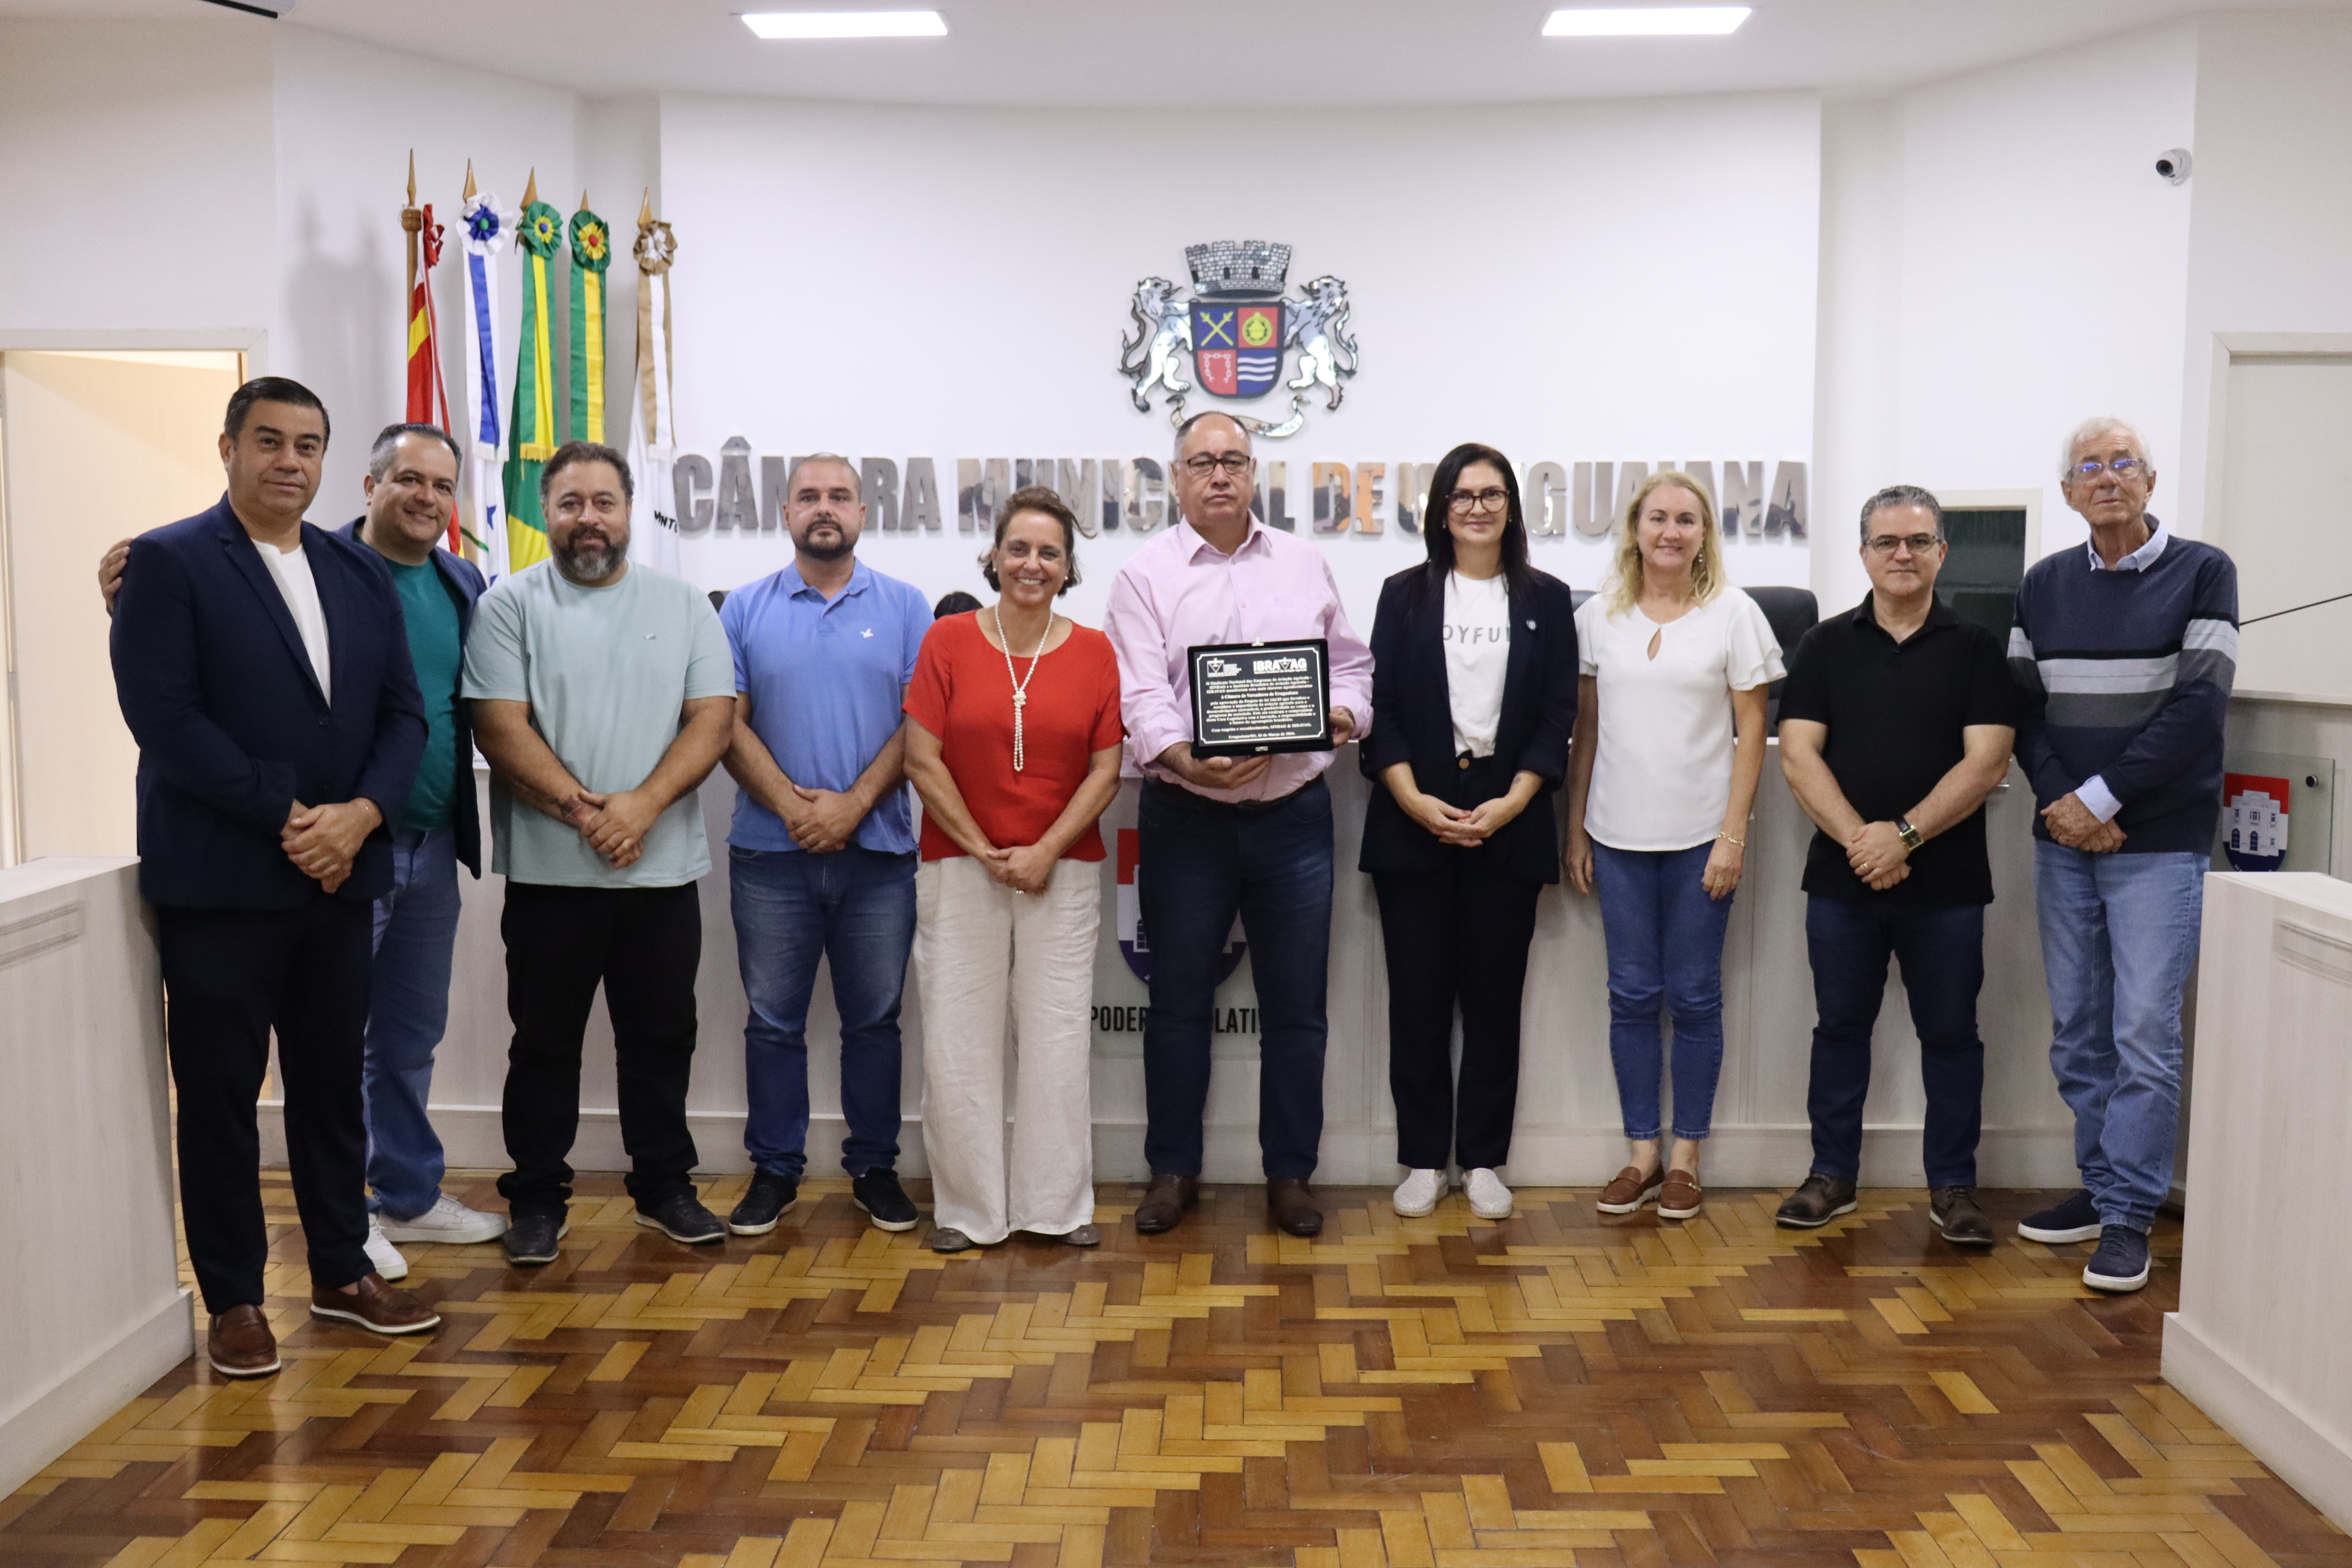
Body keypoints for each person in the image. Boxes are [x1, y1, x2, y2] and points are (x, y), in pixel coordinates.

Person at [99, 424, 507, 1279]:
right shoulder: (185, 561)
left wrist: (359, 815)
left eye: (442, 484)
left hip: (393, 848)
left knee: (379, 1051)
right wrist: (300, 819)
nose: (426, 497)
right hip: (241, 870)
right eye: (407, 479)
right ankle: (246, 1291)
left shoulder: (446, 578)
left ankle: (376, 1224)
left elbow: (409, 713)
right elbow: (169, 716)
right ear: (368, 483)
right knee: (227, 1091)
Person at [463, 441, 737, 1265]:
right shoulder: (508, 604)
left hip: (660, 872)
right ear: (547, 512)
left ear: (628, 511)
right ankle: (538, 1199)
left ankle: (663, 1188)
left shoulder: (687, 603)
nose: (589, 518)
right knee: (544, 1044)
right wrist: (591, 815)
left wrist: (643, 807)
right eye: (571, 502)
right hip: (551, 875)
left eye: (604, 502)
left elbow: (713, 719)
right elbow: (498, 723)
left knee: (662, 1036)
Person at [1103, 411, 1374, 1238]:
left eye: (1234, 461)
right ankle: (1172, 1169)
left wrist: (1338, 716)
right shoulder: (1142, 575)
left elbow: (1355, 670)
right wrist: (1185, 758)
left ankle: (1291, 1173)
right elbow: (1142, 697)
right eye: (1202, 462)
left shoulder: (1304, 562)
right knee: (1177, 1001)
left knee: (1298, 1008)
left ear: (1253, 473)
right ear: (1176, 477)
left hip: (1294, 816)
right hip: (1186, 817)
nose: (1219, 475)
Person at [2009, 418, 2236, 1294]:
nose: (2107, 478)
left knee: (2144, 1032)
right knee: (2079, 1030)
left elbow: (2199, 708)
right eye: (2089, 468)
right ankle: (2102, 1186)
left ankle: (2132, 1217)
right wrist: (2064, 802)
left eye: (2123, 464)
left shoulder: (2204, 571)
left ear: (2151, 479)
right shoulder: (2044, 583)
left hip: (2159, 843)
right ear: (2068, 491)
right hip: (2065, 840)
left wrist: (2102, 800)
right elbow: (2023, 710)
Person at [1772, 485, 2017, 1244]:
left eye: (1918, 542)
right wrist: (1861, 841)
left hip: (1946, 887)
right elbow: (1799, 755)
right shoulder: (1823, 646)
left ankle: (1954, 1190)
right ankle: (1832, 1176)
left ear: (1942, 551)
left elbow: (1987, 762)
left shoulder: (1978, 647)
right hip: (1843, 880)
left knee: (1951, 1036)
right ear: (1864, 554)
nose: (1902, 555)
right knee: (1839, 1029)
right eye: (1887, 542)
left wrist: (1903, 836)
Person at [902, 487, 1123, 1253]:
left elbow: (1105, 769)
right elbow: (920, 757)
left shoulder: (1095, 650)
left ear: (1068, 567)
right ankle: (968, 1210)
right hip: (960, 868)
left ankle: (1055, 1207)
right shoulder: (949, 641)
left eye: (1049, 552)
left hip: (1061, 872)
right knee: (960, 1040)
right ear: (994, 557)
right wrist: (984, 847)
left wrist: (1043, 851)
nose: (1033, 563)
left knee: (1057, 1038)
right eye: (1019, 549)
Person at [1359, 443, 1577, 1222]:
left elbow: (1559, 714)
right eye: (1462, 493)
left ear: (1512, 507)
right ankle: (1424, 1156)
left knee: (1493, 1001)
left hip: (1506, 815)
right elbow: (1376, 709)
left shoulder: (1548, 599)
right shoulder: (1403, 595)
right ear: (1441, 509)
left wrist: (1517, 799)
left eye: (1491, 493)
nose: (1477, 506)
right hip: (1414, 811)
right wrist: (1413, 798)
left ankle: (1482, 1158)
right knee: (1417, 1000)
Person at [719, 455, 933, 1236]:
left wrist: (852, 806)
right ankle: (774, 1170)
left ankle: (874, 1167)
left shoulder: (908, 607)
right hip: (770, 856)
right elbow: (723, 722)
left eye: (839, 495)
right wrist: (795, 808)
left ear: (862, 512)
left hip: (878, 855)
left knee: (874, 1020)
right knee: (772, 1020)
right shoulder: (743, 607)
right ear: (785, 512)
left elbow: (922, 725)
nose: (825, 507)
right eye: (809, 495)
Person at [1563, 470, 1781, 1223]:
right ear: (1634, 528)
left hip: (1700, 840)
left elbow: (1752, 732)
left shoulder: (1734, 615)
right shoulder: (1599, 617)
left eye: (1687, 520)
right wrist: (1574, 828)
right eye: (1657, 518)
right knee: (1631, 998)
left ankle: (1687, 1156)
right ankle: (1641, 1154)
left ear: (1704, 535)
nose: (1671, 531)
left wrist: (1733, 835)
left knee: (1692, 997)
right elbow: (1586, 731)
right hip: (1616, 837)